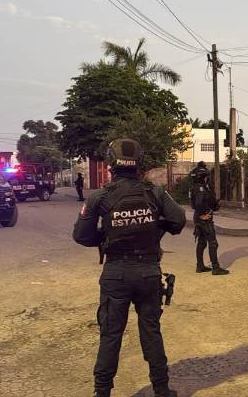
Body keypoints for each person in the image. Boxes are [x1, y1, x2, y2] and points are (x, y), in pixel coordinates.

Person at [73, 139, 185, 397]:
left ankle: (102, 392)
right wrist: (155, 227)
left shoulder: (100, 197)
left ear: (111, 163)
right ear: (139, 162)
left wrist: (106, 236)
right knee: (151, 332)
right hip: (148, 272)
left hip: (116, 274)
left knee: (111, 335)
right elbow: (178, 221)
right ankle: (162, 389)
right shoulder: (154, 192)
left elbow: (82, 236)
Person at [190, 162, 229, 275]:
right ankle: (216, 268)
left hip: (198, 217)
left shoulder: (194, 188)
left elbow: (195, 204)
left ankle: (200, 266)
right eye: (206, 177)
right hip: (204, 218)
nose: (208, 179)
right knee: (213, 243)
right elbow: (198, 203)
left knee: (202, 242)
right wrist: (202, 215)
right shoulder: (201, 189)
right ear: (203, 178)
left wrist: (213, 204)